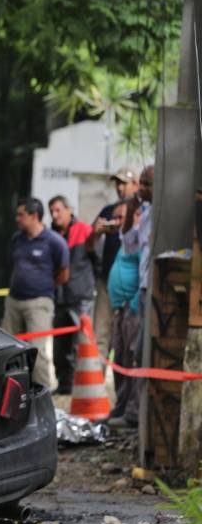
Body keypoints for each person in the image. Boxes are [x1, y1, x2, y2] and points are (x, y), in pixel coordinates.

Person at [1, 198, 70, 388]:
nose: (17, 218)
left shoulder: (54, 241)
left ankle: (42, 394)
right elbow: (11, 265)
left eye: (21, 215)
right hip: (14, 301)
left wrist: (44, 287)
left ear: (34, 216)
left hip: (39, 303)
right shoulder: (16, 239)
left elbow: (64, 274)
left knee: (36, 352)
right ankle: (11, 392)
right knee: (8, 350)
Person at [114, 164, 155, 429]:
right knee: (134, 353)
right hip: (142, 290)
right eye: (140, 183)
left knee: (141, 352)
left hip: (151, 290)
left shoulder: (163, 213)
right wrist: (130, 210)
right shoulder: (146, 213)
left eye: (146, 183)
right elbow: (129, 243)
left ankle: (137, 413)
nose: (141, 189)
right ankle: (131, 411)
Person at [87, 167, 140, 356]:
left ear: (136, 184)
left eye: (124, 183)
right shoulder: (108, 210)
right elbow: (89, 246)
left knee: (129, 337)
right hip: (107, 282)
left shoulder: (143, 211)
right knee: (101, 334)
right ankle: (97, 374)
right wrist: (96, 232)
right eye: (117, 183)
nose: (119, 188)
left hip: (134, 285)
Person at [48, 195, 96, 395]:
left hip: (80, 296)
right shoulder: (50, 235)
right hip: (59, 298)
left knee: (80, 343)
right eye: (52, 211)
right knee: (60, 346)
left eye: (58, 210)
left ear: (69, 210)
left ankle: (80, 384)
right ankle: (64, 384)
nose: (55, 215)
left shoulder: (84, 230)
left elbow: (97, 259)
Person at [105, 200, 141, 427]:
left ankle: (131, 413)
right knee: (119, 360)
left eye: (122, 217)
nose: (118, 222)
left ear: (136, 215)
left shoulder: (139, 240)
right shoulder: (125, 240)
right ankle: (120, 406)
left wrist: (134, 304)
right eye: (116, 218)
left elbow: (145, 273)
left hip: (131, 308)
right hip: (120, 309)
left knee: (131, 359)